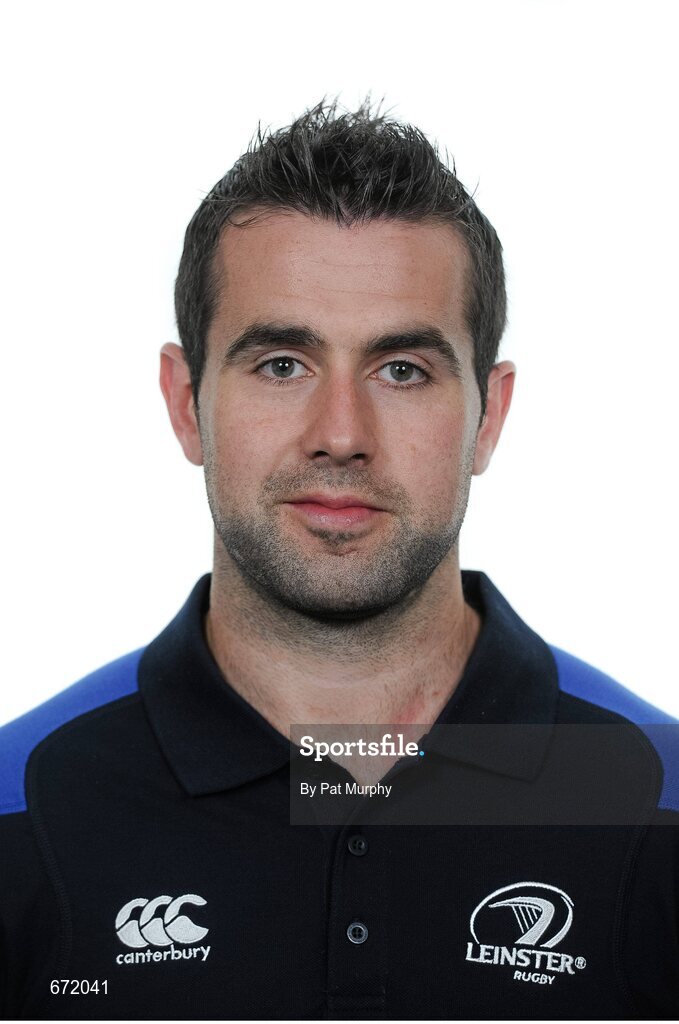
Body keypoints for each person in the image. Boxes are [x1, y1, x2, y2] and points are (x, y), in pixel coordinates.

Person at [1, 99, 677, 1021]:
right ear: (185, 402)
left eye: (402, 369)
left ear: (489, 416)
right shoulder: (20, 804)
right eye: (282, 363)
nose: (341, 434)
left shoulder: (658, 798)